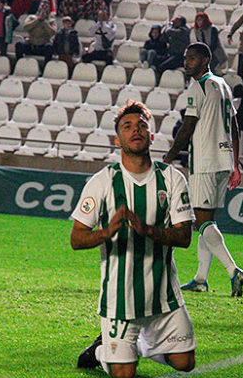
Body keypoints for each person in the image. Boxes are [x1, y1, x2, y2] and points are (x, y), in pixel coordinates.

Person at [73, 100, 197, 377]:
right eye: (127, 126)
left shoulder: (172, 179)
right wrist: (106, 232)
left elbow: (185, 237)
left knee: (185, 363)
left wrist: (148, 230)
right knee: (123, 374)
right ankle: (100, 351)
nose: (136, 130)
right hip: (119, 297)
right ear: (118, 139)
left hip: (163, 295)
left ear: (151, 136)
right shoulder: (102, 181)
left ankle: (138, 344)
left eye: (142, 125)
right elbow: (76, 239)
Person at [163, 42, 243, 297]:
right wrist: (235, 160)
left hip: (205, 161)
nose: (186, 61)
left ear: (204, 61)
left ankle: (234, 270)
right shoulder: (222, 85)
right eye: (185, 57)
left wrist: (168, 157)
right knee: (207, 219)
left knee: (202, 221)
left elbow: (187, 127)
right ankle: (201, 278)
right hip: (223, 160)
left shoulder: (197, 86)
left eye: (191, 58)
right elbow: (234, 124)